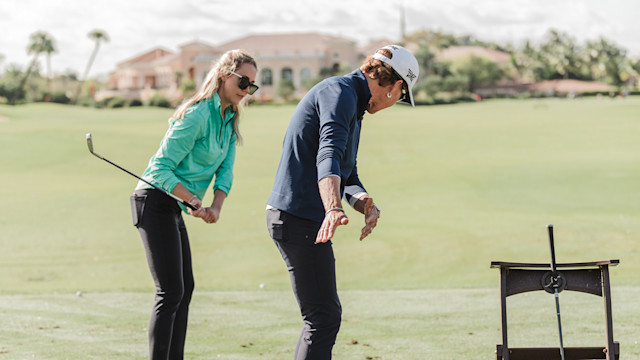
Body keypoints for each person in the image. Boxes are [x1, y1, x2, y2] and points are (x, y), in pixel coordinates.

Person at [266, 45, 419, 359]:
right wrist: (333, 207)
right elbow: (329, 155)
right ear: (395, 87)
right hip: (298, 218)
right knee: (323, 317)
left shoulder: (352, 99)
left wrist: (364, 204)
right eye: (401, 96)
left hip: (301, 219)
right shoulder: (341, 93)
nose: (395, 102)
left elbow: (348, 174)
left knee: (323, 317)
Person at [129, 49, 258, 360]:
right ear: (224, 75)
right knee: (170, 291)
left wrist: (216, 206)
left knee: (184, 290)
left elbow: (225, 171)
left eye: (252, 85)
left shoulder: (229, 120)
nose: (246, 89)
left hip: (172, 205)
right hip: (153, 199)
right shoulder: (198, 114)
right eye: (243, 81)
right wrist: (191, 198)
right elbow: (158, 168)